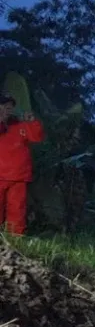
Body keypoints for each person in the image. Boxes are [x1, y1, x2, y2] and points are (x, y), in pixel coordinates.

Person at [0, 94, 44, 236]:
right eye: (4, 105)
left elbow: (37, 137)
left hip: (18, 176)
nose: (8, 108)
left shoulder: (21, 125)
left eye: (10, 106)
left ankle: (15, 239)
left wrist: (32, 122)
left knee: (17, 209)